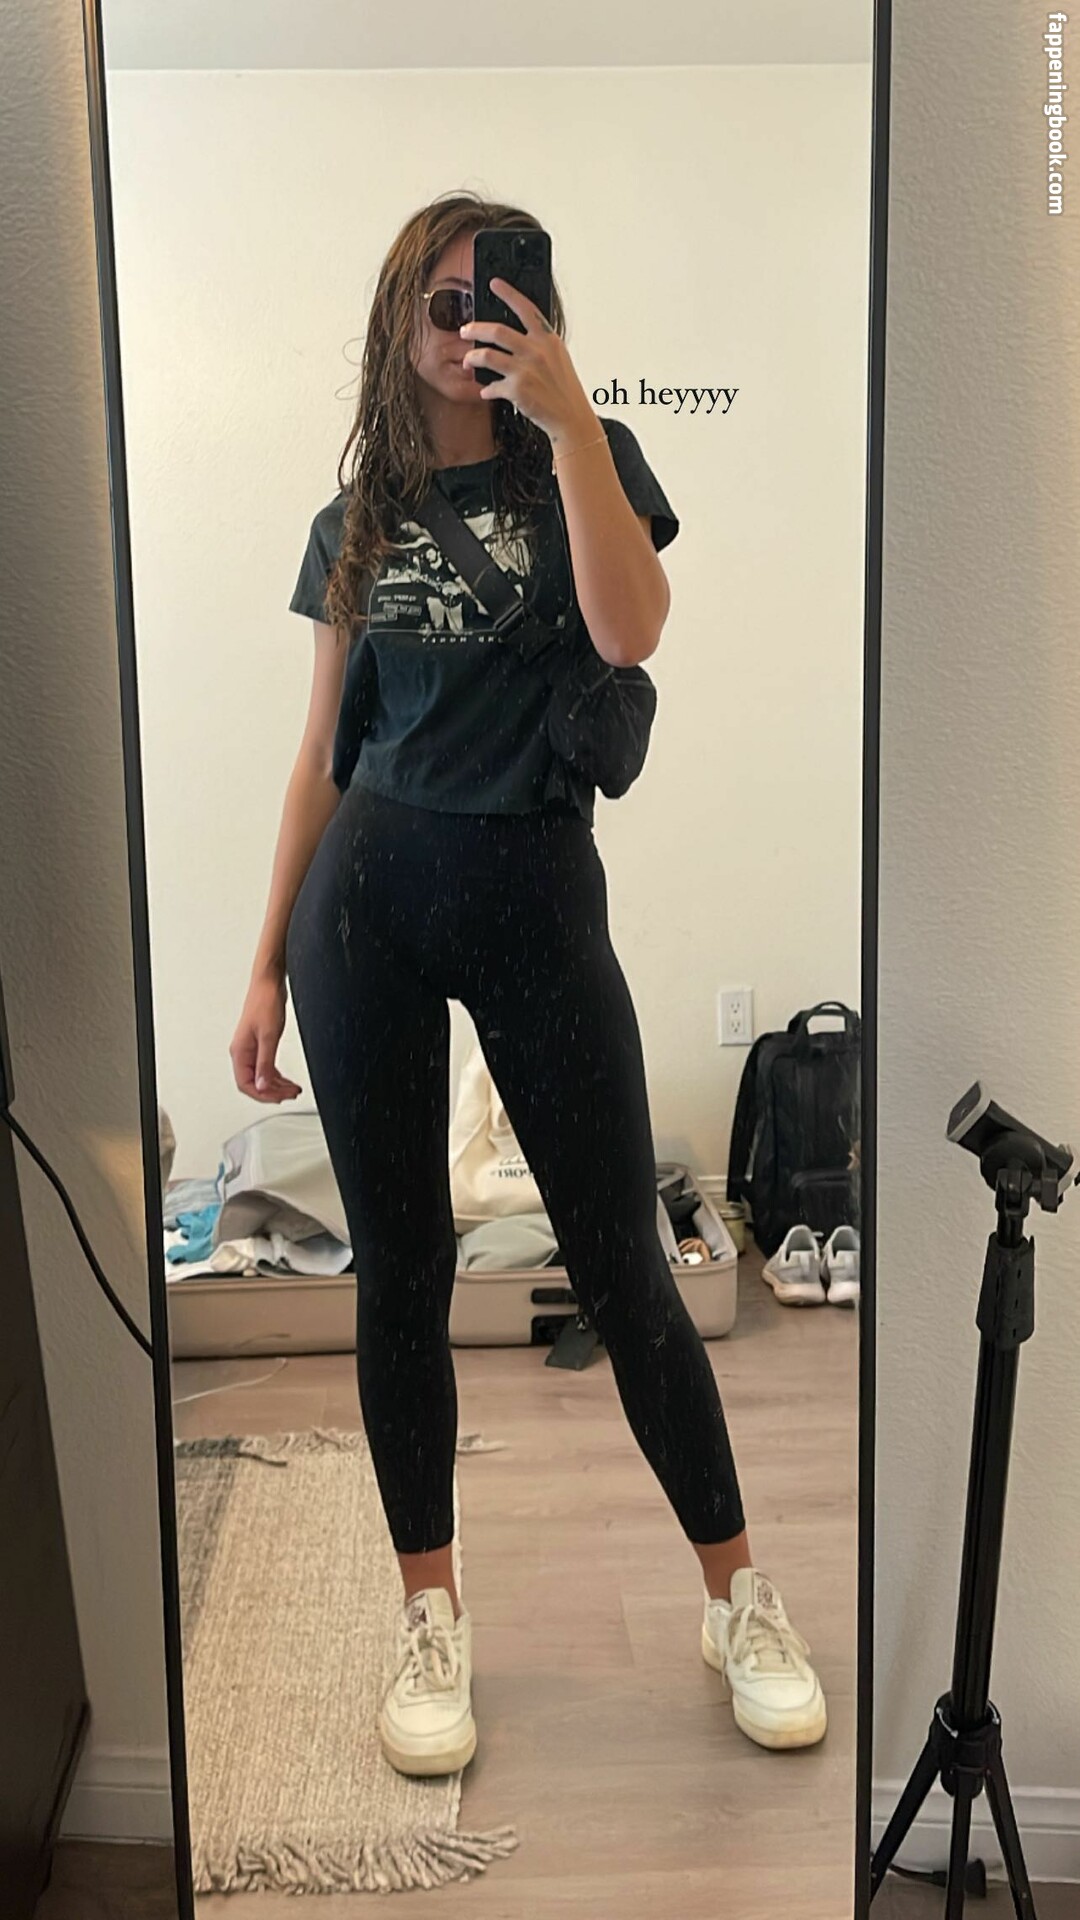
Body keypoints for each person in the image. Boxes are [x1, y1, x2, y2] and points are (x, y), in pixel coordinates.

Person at [229, 191, 827, 1778]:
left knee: (623, 1262)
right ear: (397, 322)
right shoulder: (353, 523)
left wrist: (566, 425)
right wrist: (262, 966)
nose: (467, 328)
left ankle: (738, 1598)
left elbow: (630, 635)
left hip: (538, 899)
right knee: (401, 1272)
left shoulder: (594, 457)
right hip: (363, 908)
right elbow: (318, 757)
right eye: (440, 303)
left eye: (497, 302)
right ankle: (431, 1614)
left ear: (542, 318)